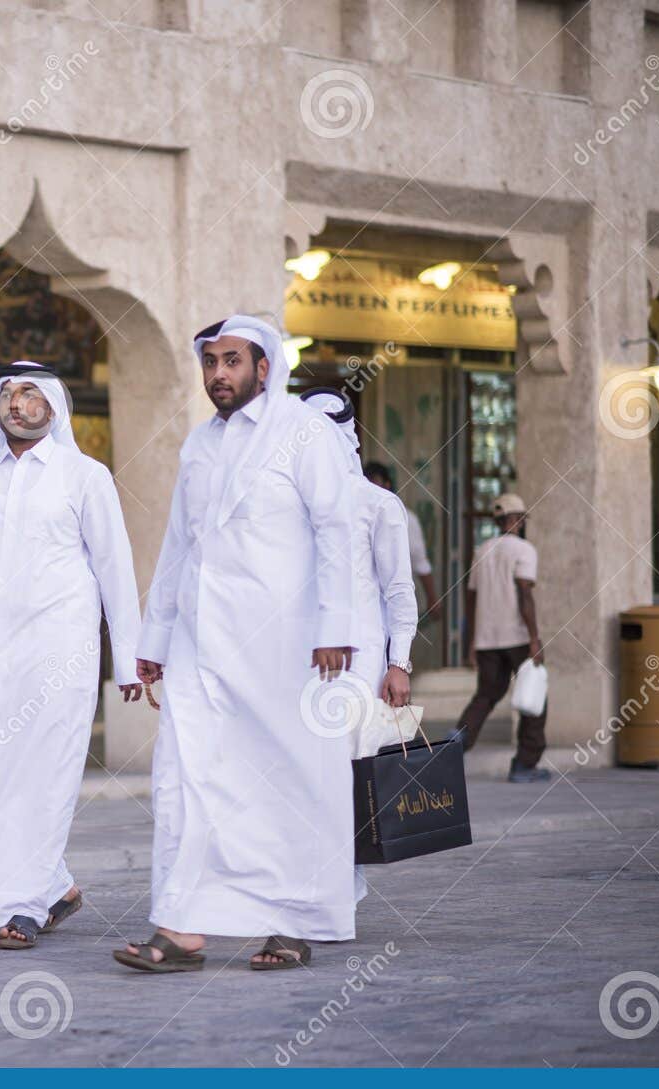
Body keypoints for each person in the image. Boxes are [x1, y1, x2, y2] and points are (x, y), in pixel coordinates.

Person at [114, 315, 356, 976]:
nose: (219, 375)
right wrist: (154, 636)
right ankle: (181, 930)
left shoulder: (304, 433)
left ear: (263, 366)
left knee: (283, 781)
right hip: (199, 641)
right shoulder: (199, 445)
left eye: (232, 362)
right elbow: (178, 545)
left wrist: (336, 628)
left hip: (285, 642)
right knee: (187, 778)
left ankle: (292, 922)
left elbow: (338, 531)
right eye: (211, 362)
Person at [0, 361, 143, 949]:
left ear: (52, 404)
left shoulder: (84, 476)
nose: (16, 405)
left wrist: (128, 657)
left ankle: (20, 906)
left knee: (44, 771)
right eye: (7, 395)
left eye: (28, 394)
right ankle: (58, 888)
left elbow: (114, 569)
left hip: (60, 650)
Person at [303, 392, 417, 713]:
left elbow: (398, 589)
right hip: (299, 657)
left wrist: (398, 664)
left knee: (355, 754)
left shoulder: (379, 504)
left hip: (361, 659)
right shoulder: (288, 504)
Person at [457, 493, 548, 782]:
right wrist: (534, 637)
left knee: (485, 696)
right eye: (521, 517)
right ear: (515, 520)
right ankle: (525, 764)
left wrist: (472, 640)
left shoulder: (481, 551)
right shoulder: (524, 550)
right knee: (533, 700)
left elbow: (470, 599)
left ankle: (453, 745)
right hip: (518, 638)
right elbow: (525, 593)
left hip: (487, 640)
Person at [363, 461, 440, 620]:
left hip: (392, 604)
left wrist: (432, 599)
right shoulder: (354, 517)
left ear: (387, 485)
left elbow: (420, 562)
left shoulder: (405, 519)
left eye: (375, 484)